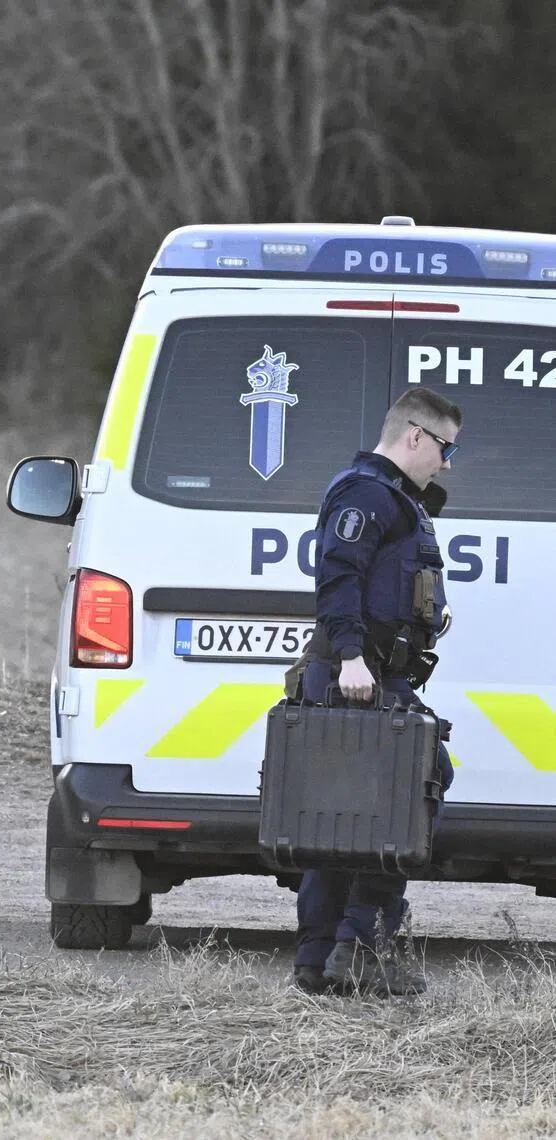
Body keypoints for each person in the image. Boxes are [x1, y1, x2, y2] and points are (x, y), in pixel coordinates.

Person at [292, 387, 461, 997]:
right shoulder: (368, 494)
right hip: (358, 676)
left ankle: (321, 957)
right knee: (416, 787)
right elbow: (338, 574)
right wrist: (350, 657)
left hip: (367, 674)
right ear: (415, 436)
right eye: (445, 449)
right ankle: (361, 944)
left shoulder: (396, 499)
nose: (446, 464)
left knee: (341, 814)